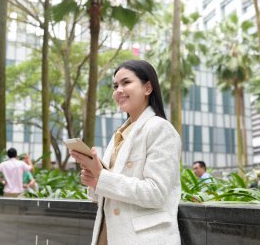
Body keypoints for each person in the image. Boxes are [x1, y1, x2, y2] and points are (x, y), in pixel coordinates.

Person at [71, 60, 182, 244]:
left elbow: (157, 193)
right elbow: (108, 195)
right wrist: (93, 181)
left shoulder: (161, 129)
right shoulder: (119, 134)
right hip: (108, 235)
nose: (118, 91)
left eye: (126, 83)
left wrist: (101, 176)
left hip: (143, 238)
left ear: (147, 88)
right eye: (115, 86)